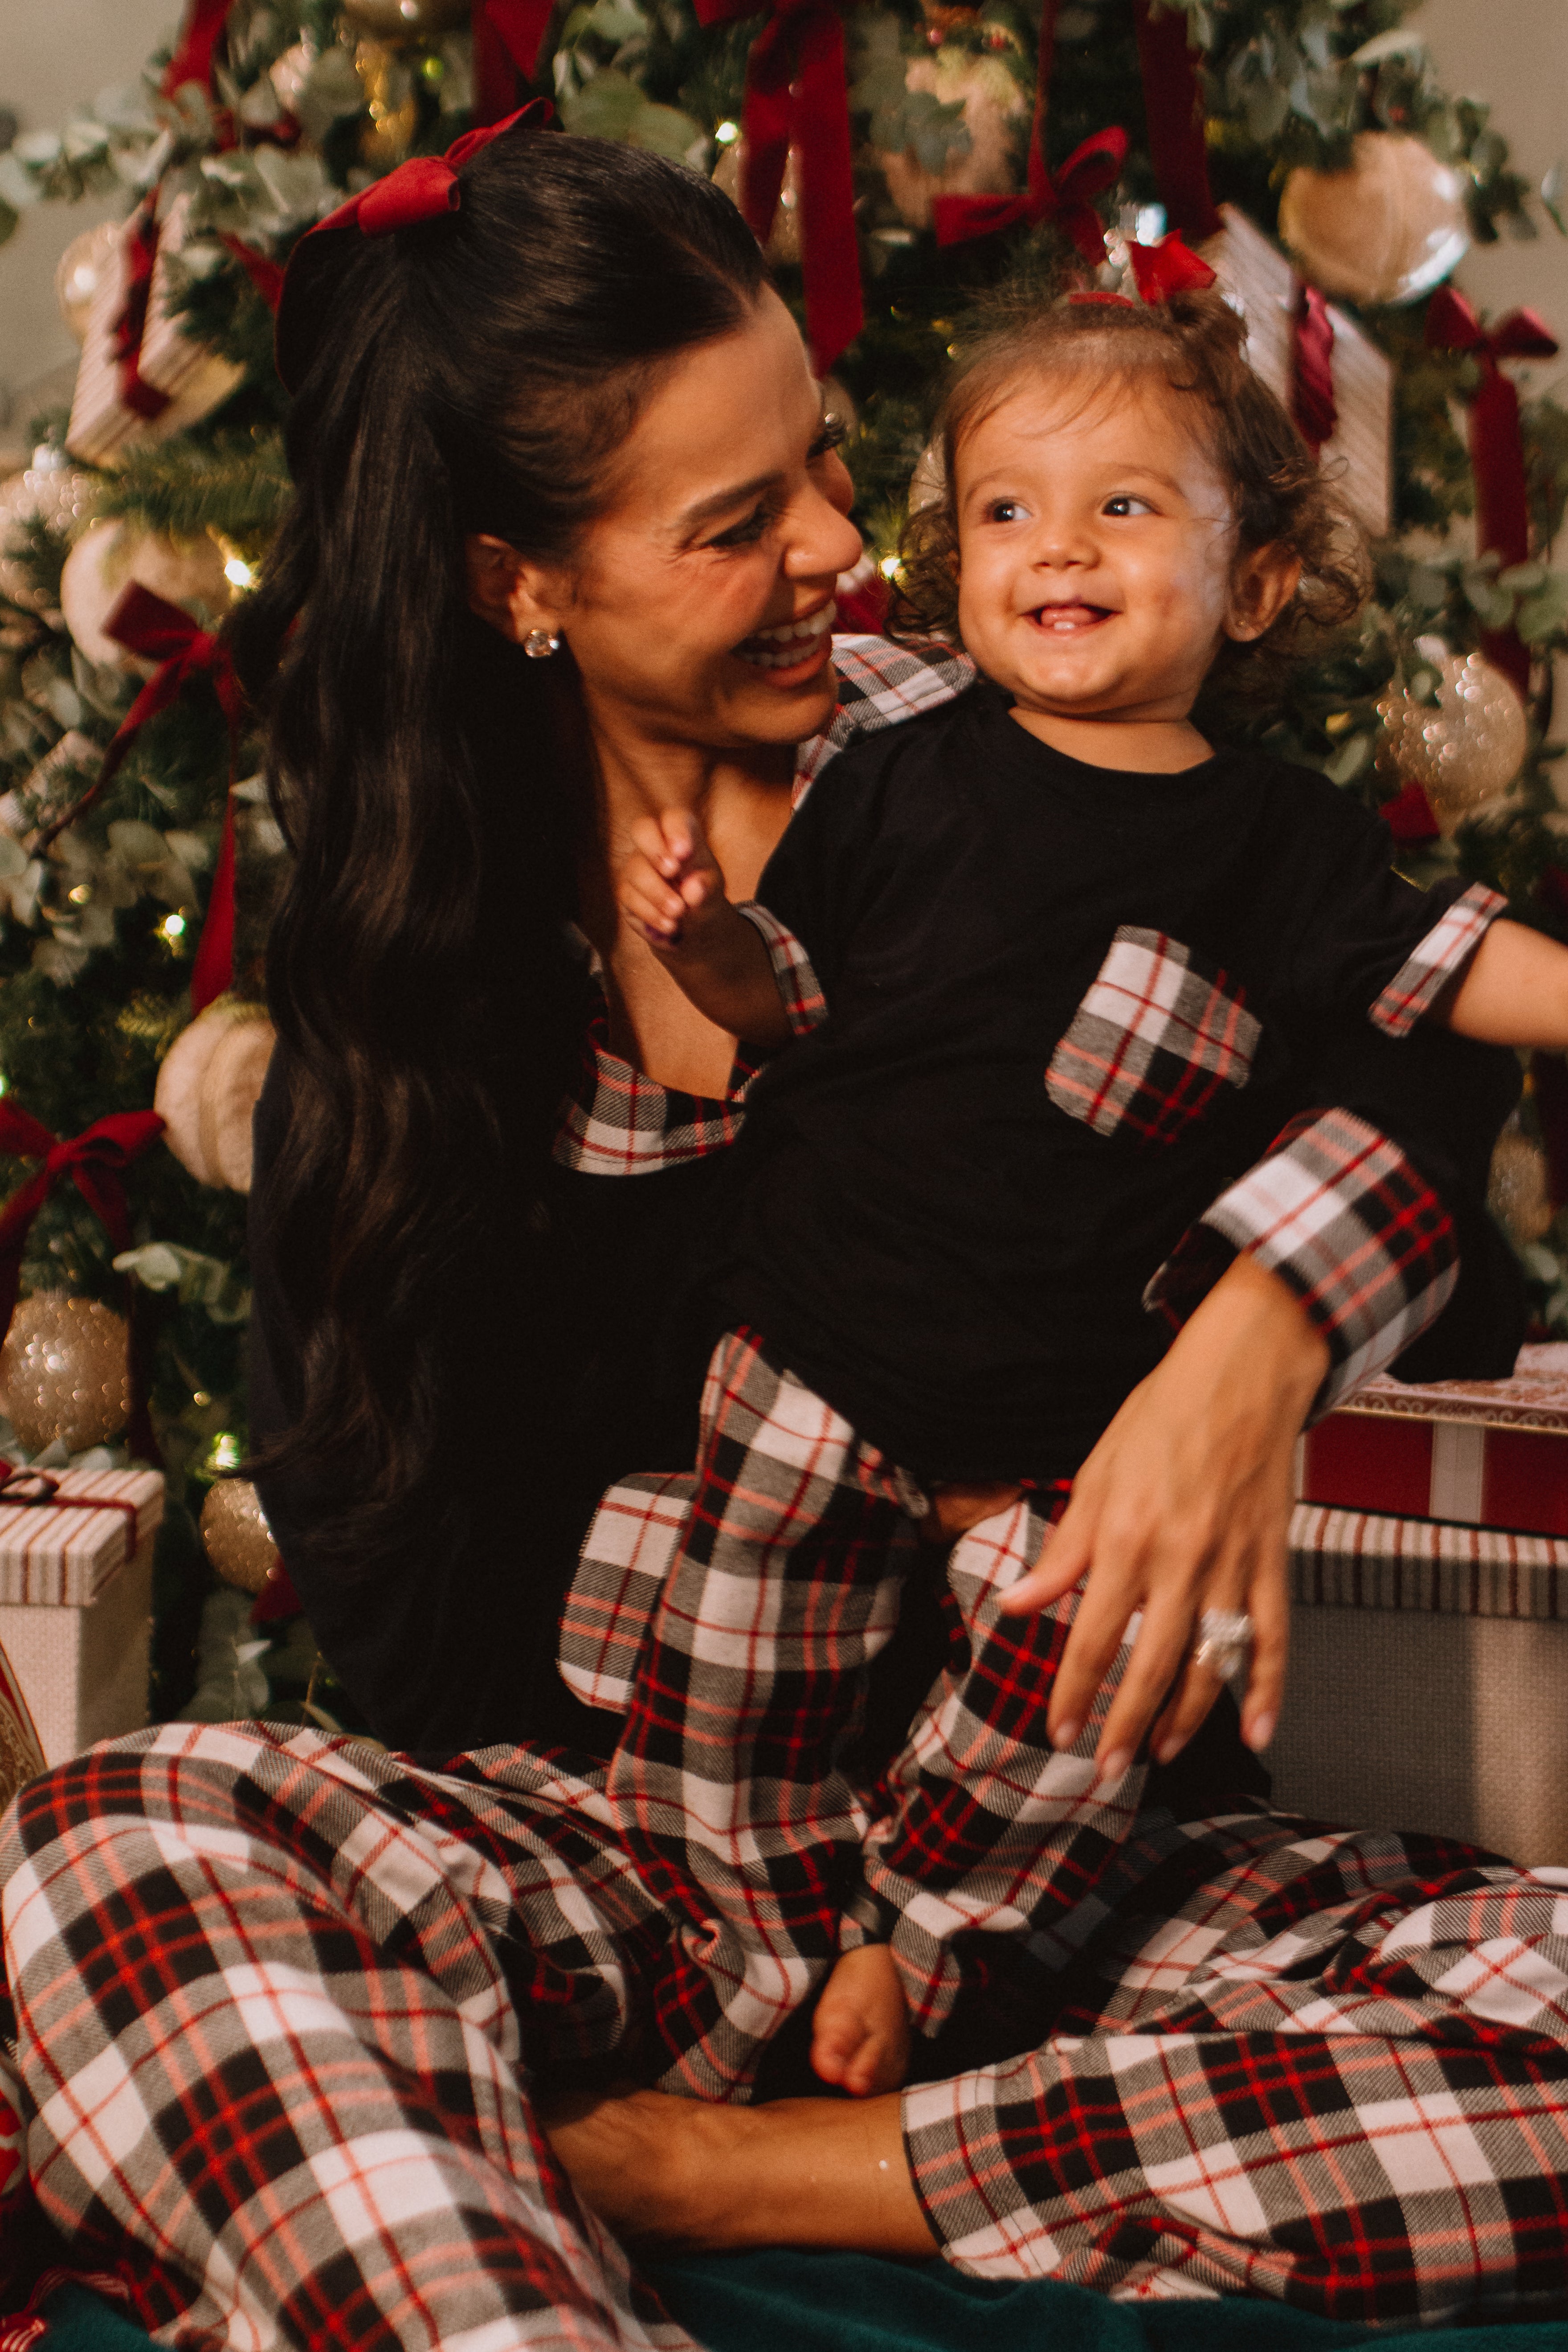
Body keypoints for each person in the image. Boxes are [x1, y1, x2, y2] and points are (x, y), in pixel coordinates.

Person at [0, 121, 1539, 2350]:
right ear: (519, 584)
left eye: (819, 459)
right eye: (736, 526)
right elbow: (410, 1623)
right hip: (644, 1873)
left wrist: (1255, 1339)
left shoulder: (1012, 752)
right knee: (111, 1854)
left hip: (1072, 1886)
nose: (843, 541)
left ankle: (765, 2179)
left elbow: (1416, 1031)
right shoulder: (420, 997)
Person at [601, 277, 1568, 2107]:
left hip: (1071, 1439)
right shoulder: (887, 774)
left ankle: (918, 1937)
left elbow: (1450, 985)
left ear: (1254, 584)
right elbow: (789, 1004)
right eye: (1005, 509)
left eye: (1122, 506)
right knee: (732, 1692)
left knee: (1094, 1683)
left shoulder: (1282, 844)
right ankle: (741, 1963)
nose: (1057, 546)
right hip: (811, 1354)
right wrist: (711, 943)